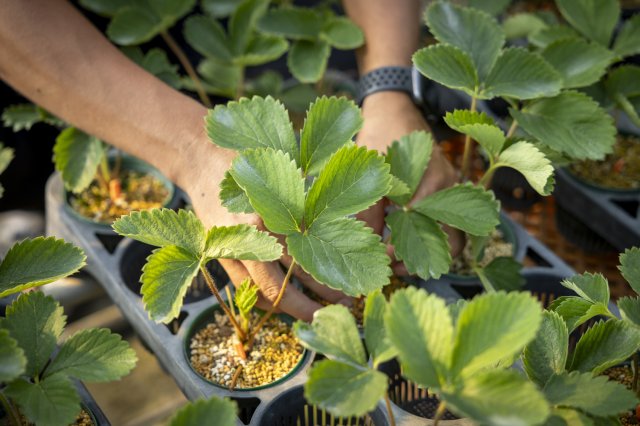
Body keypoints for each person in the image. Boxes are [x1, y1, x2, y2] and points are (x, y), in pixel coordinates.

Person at [0, 0, 459, 321]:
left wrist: (388, 85)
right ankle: (50, 254)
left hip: (258, 30)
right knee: (54, 203)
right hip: (73, 48)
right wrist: (188, 147)